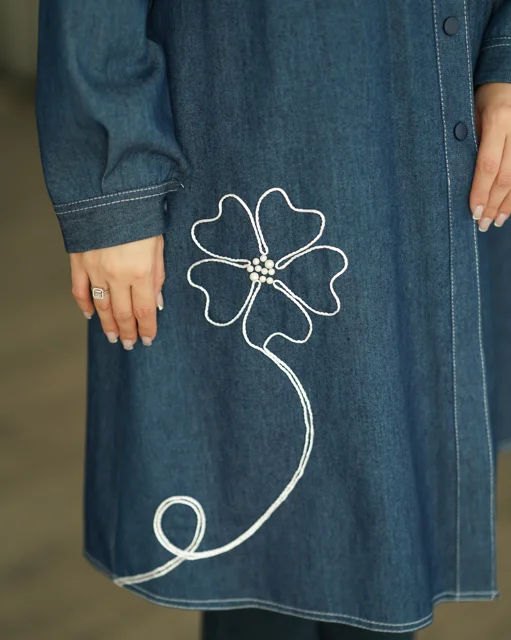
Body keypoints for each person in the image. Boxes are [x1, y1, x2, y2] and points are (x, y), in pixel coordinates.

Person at [35, 1, 511, 637]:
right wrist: (114, 186)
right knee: (259, 515)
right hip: (249, 115)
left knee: (389, 495)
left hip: (436, 118)